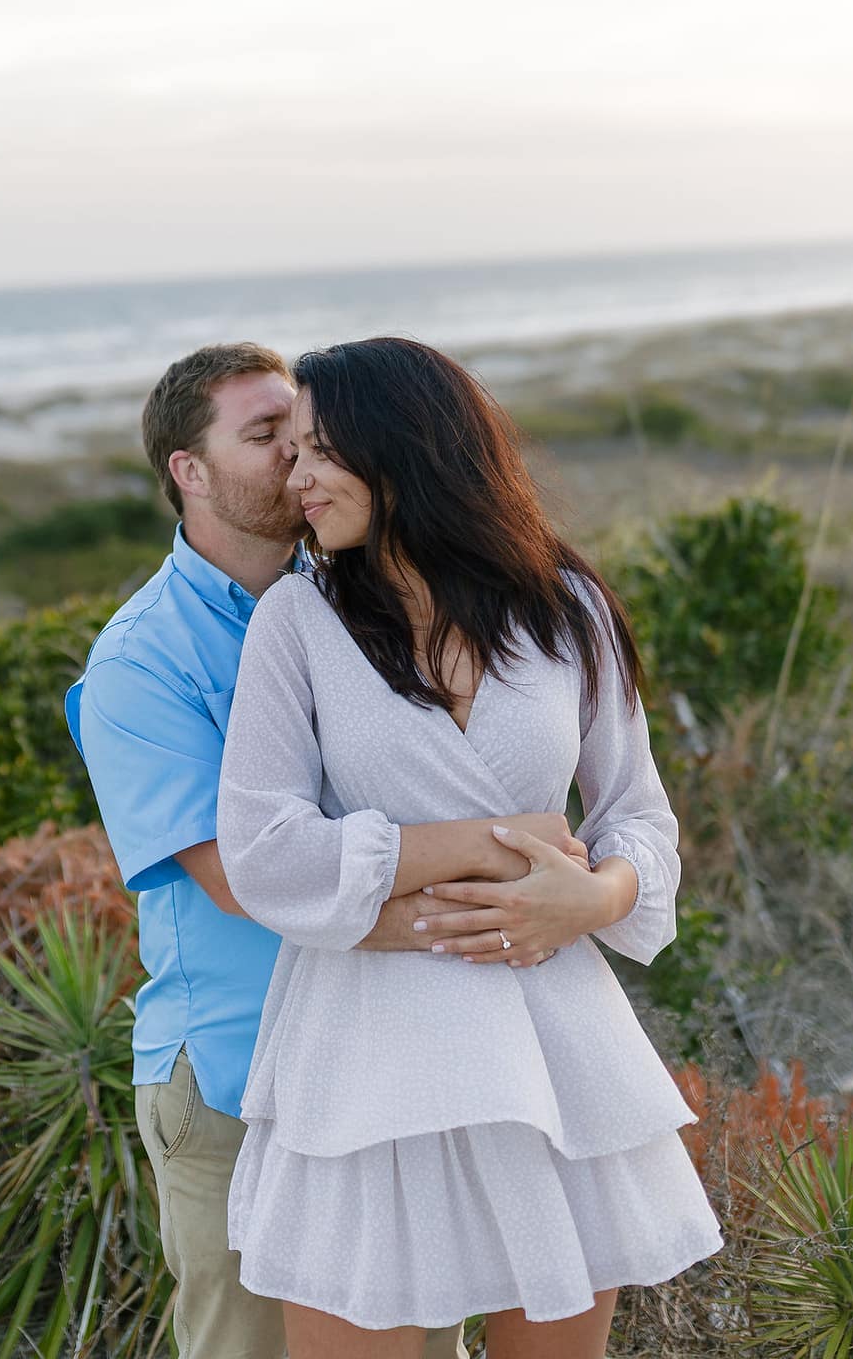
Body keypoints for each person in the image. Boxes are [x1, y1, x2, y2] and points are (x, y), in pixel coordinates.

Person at [66, 342, 595, 1359]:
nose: (295, 461)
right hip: (235, 1073)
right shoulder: (142, 661)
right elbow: (240, 880)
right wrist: (503, 886)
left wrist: (574, 897)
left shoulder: (377, 601)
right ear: (188, 471)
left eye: (305, 435)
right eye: (264, 438)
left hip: (402, 1053)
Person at [216, 337, 723, 1359]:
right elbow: (262, 849)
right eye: (291, 450)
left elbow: (636, 818)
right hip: (364, 1070)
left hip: (551, 1060)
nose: (295, 477)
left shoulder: (564, 608)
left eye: (319, 451)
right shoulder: (295, 621)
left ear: (403, 447)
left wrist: (597, 897)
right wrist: (497, 847)